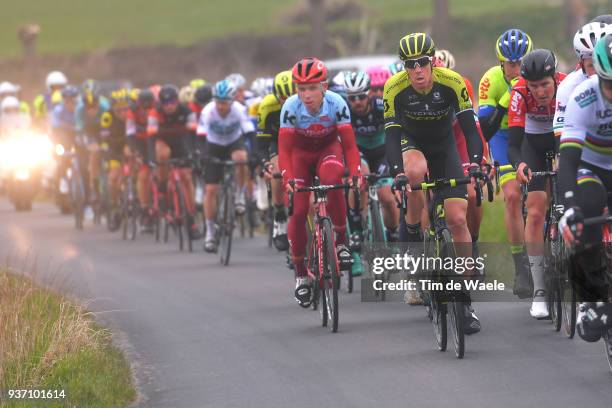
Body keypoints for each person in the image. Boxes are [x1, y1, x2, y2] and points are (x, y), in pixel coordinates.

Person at [384, 33, 483, 333]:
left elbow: (469, 127)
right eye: (410, 64)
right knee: (414, 171)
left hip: (445, 148)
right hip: (411, 143)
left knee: (456, 218)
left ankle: (464, 300)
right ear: (404, 67)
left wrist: (476, 162)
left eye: (423, 63)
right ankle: (413, 226)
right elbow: (390, 136)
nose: (417, 70)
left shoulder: (452, 82)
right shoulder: (394, 89)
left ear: (433, 62)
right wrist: (396, 172)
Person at [278, 57, 361, 307]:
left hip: (328, 150)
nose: (307, 95)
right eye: (301, 89)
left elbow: (349, 145)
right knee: (299, 209)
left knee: (333, 179)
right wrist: (288, 178)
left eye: (312, 88)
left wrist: (355, 172)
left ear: (324, 87)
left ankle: (341, 240)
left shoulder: (337, 103)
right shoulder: (291, 108)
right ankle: (301, 275)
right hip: (300, 156)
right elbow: (283, 150)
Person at [558, 34, 612, 342]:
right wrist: (569, 208)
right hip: (588, 166)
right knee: (589, 203)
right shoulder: (584, 97)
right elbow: (567, 160)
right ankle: (591, 295)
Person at [507, 49, 567, 319]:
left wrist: (563, 160)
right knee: (535, 210)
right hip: (531, 142)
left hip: (562, 137)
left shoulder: (568, 86)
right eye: (535, 86)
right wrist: (519, 165)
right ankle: (539, 290)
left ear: (554, 77)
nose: (540, 92)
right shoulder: (519, 93)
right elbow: (513, 143)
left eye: (545, 84)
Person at [478, 29, 533, 298]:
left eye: (521, 62)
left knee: (538, 199)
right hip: (501, 135)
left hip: (529, 133)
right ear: (502, 63)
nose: (517, 69)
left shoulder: (536, 74)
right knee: (512, 196)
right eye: (512, 64)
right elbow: (485, 132)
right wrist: (504, 100)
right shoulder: (491, 80)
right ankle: (521, 266)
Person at [343, 70, 399, 277]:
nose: (356, 102)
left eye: (360, 96)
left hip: (382, 151)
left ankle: (392, 235)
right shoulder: (345, 111)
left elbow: (396, 131)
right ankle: (356, 234)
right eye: (352, 97)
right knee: (358, 182)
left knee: (387, 196)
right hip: (360, 152)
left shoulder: (380, 106)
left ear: (369, 94)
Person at [197, 80, 254, 252]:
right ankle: (209, 233)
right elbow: (200, 137)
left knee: (241, 158)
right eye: (218, 102)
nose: (221, 106)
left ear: (231, 101)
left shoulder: (238, 109)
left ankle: (238, 196)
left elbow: (250, 133)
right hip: (213, 146)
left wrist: (254, 155)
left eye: (224, 102)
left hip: (233, 142)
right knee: (211, 190)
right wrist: (203, 156)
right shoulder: (208, 111)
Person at [147, 85, 200, 239]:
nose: (169, 105)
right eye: (165, 102)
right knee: (163, 154)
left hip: (181, 144)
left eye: (172, 102)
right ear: (160, 103)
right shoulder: (154, 113)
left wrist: (194, 154)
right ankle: (162, 187)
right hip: (163, 143)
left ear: (177, 101)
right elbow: (151, 139)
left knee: (186, 179)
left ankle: (191, 220)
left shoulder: (187, 111)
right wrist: (152, 159)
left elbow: (194, 136)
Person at [255, 70, 296, 251]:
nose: (287, 103)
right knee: (278, 173)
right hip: (277, 141)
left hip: (301, 139)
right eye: (282, 99)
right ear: (275, 96)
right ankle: (279, 215)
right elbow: (261, 141)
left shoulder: (306, 101)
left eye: (291, 97)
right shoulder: (267, 106)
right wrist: (265, 162)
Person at [554, 22, 611, 139]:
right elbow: (561, 134)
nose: (600, 72)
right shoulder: (568, 87)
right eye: (592, 65)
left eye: (605, 63)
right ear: (581, 64)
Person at [100, 89, 132, 230]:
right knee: (113, 178)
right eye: (118, 110)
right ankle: (114, 206)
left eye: (125, 109)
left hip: (131, 148)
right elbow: (104, 138)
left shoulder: (133, 116)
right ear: (112, 109)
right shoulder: (107, 117)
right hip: (114, 150)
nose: (122, 113)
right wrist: (106, 150)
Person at [127, 89, 156, 232]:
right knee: (143, 176)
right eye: (143, 107)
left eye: (148, 107)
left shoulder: (158, 108)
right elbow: (130, 134)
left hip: (155, 140)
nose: (146, 110)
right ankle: (145, 209)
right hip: (140, 142)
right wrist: (136, 152)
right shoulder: (132, 111)